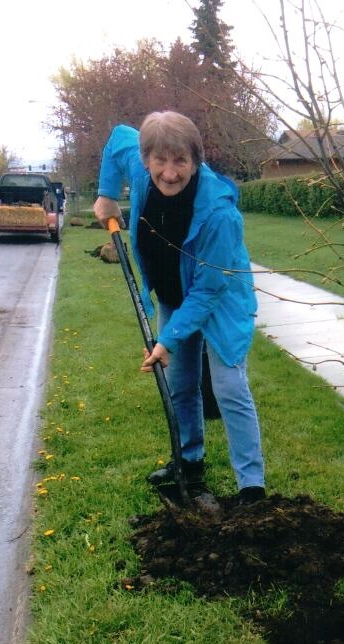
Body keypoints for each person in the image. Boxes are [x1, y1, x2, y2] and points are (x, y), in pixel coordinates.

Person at [93, 111, 265, 505]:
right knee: (181, 385)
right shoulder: (137, 168)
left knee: (229, 388)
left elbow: (207, 291)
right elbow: (118, 135)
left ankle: (251, 487)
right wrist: (106, 193)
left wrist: (167, 339)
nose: (169, 173)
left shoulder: (219, 214)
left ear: (196, 161)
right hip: (172, 292)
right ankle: (189, 462)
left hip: (220, 299)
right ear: (146, 159)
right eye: (160, 161)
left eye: (181, 161)